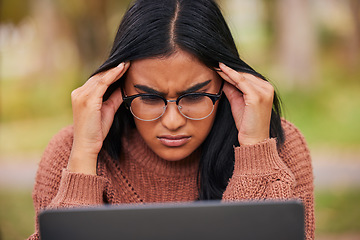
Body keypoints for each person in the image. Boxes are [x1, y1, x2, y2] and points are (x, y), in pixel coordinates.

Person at [28, 0, 314, 239]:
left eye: (194, 96)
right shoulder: (69, 153)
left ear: (225, 85)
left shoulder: (279, 147)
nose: (173, 121)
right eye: (150, 98)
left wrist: (254, 150)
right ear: (119, 88)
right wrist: (84, 156)